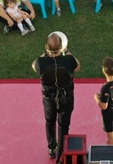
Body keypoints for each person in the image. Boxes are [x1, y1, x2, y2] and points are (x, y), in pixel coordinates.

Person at [32, 31, 80, 159]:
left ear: (47, 47)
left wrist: (45, 54)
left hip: (48, 98)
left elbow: (34, 66)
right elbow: (77, 67)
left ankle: (52, 148)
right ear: (61, 46)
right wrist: (67, 52)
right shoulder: (68, 60)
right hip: (66, 97)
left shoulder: (41, 62)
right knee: (63, 126)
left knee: (50, 121)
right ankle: (60, 154)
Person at [95, 56, 113, 148]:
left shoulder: (105, 88)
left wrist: (96, 98)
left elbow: (104, 106)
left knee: (111, 135)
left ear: (104, 70)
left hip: (109, 113)